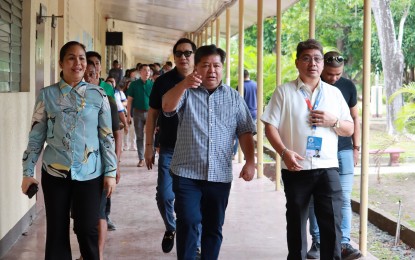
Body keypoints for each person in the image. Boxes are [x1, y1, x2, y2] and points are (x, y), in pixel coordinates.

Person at [21, 41, 117, 260]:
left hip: (90, 173)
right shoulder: (47, 95)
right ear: (61, 63)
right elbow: (36, 136)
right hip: (55, 172)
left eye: (82, 58)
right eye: (71, 58)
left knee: (86, 229)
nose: (78, 63)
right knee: (56, 232)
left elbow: (106, 137)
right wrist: (28, 173)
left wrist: (111, 172)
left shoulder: (98, 95)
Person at [261, 39, 354, 259]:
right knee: (296, 222)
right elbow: (270, 127)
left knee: (332, 223)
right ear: (297, 63)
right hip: (296, 167)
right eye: (306, 58)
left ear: (322, 64)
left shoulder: (334, 94)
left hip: (328, 167)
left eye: (317, 58)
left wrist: (333, 121)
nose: (312, 63)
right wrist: (284, 153)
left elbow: (349, 129)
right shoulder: (283, 92)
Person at [162, 44, 256, 260]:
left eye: (216, 65)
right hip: (187, 173)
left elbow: (245, 131)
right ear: (196, 69)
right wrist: (184, 84)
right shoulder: (186, 92)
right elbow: (167, 106)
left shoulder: (234, 97)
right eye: (205, 65)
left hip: (219, 175)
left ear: (222, 69)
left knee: (213, 226)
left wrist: (250, 161)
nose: (211, 70)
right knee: (189, 220)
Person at [144, 38, 201, 255]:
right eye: (179, 53)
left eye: (187, 53)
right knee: (165, 195)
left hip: (195, 151)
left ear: (194, 55)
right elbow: (152, 114)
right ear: (174, 57)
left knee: (196, 199)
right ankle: (171, 227)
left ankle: (195, 243)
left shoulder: (204, 79)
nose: (183, 57)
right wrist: (149, 145)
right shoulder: (163, 82)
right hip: (169, 148)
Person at [306, 51, 362, 260]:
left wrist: (356, 147)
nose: (334, 78)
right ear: (321, 68)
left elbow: (355, 117)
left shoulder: (348, 86)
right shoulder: (313, 87)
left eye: (338, 74)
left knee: (344, 198)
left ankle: (344, 243)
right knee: (315, 198)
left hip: (344, 148)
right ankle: (318, 241)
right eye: (330, 74)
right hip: (317, 148)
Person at [83, 60, 122, 260]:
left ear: (98, 76)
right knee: (83, 216)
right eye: (86, 74)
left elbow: (117, 134)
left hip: (101, 166)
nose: (89, 78)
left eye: (93, 74)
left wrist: (115, 166)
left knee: (99, 213)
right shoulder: (73, 100)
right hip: (80, 169)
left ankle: (96, 254)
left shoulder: (107, 100)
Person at [86, 51, 118, 231]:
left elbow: (114, 132)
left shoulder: (107, 91)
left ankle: (105, 216)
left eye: (97, 64)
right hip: (84, 160)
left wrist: (116, 161)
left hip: (103, 155)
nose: (94, 69)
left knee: (105, 192)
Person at [126, 64, 153, 167]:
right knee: (139, 136)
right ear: (140, 72)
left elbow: (156, 101)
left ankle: (151, 157)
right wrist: (128, 115)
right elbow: (129, 101)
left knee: (151, 136)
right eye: (145, 70)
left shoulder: (152, 84)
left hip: (150, 113)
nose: (147, 72)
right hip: (137, 112)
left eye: (149, 70)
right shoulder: (134, 84)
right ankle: (141, 158)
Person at [233, 69, 258, 157]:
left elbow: (236, 102)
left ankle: (233, 153)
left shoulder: (240, 86)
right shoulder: (256, 85)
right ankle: (247, 155)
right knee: (249, 134)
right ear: (248, 75)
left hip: (243, 113)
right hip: (254, 112)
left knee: (236, 134)